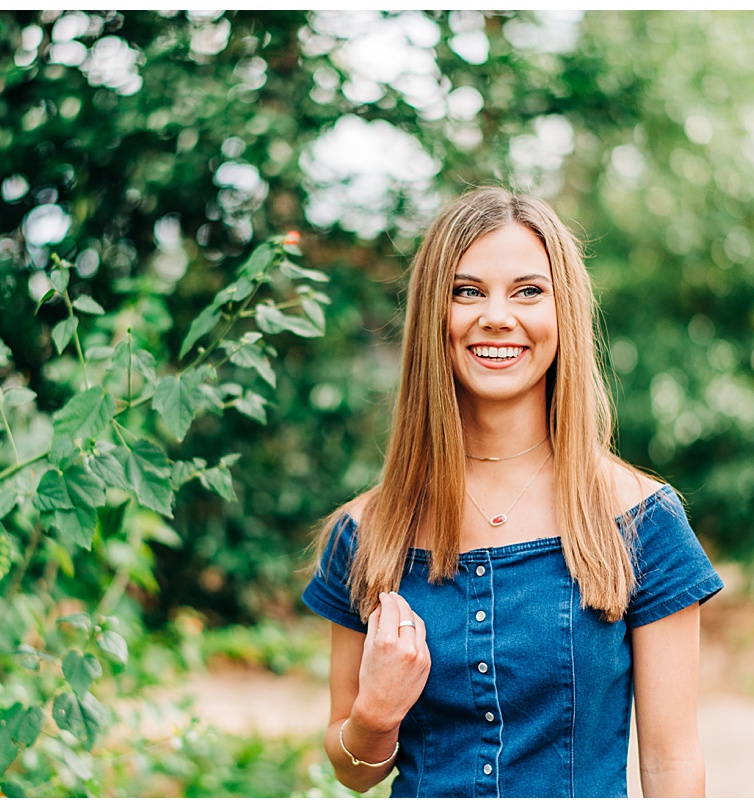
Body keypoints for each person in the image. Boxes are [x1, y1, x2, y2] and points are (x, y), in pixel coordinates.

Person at [301, 187, 724, 798]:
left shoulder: (641, 521)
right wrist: (374, 714)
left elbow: (672, 765)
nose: (497, 316)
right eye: (467, 291)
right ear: (433, 318)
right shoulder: (368, 532)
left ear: (563, 314)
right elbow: (350, 769)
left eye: (528, 291)